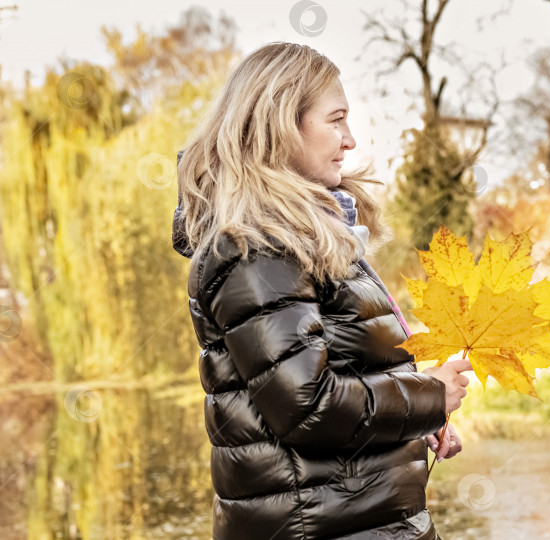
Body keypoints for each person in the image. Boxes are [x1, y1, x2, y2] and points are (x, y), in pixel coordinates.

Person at [172, 42, 473, 540]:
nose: (350, 140)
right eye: (336, 120)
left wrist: (412, 423)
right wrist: (429, 395)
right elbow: (308, 409)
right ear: (282, 125)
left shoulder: (304, 235)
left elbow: (342, 374)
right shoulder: (255, 247)